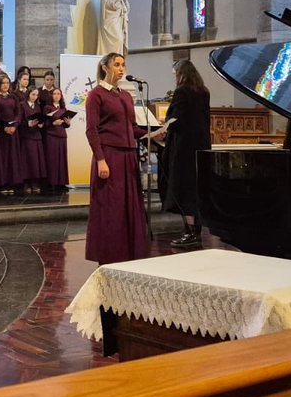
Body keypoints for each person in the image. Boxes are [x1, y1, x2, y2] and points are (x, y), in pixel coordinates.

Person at [84, 52, 148, 264]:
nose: (122, 69)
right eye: (117, 65)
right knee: (110, 208)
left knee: (129, 207)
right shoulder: (96, 95)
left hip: (129, 158)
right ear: (105, 67)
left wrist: (153, 134)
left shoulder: (126, 96)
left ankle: (130, 253)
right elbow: (92, 130)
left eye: (123, 65)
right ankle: (109, 255)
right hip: (109, 156)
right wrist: (100, 159)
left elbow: (133, 128)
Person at [152, 60, 212, 248]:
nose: (175, 77)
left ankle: (190, 232)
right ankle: (197, 231)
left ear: (181, 73)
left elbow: (176, 119)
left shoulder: (182, 91)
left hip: (183, 148)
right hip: (201, 146)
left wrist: (166, 122)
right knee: (196, 189)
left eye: (175, 73)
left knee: (184, 189)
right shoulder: (203, 91)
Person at [0, 74, 24, 194]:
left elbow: (18, 113)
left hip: (12, 131)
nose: (5, 85)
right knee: (3, 157)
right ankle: (3, 183)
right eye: (3, 83)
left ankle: (12, 182)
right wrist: (4, 127)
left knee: (13, 157)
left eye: (7, 83)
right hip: (2, 132)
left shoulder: (13, 97)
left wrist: (14, 126)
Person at [19, 86, 46, 193]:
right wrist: (28, 123)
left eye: (36, 95)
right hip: (27, 136)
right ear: (28, 94)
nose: (35, 97)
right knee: (27, 161)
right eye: (33, 94)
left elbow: (39, 118)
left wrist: (40, 124)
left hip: (36, 136)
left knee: (36, 161)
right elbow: (19, 120)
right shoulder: (22, 105)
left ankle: (35, 182)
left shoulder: (38, 106)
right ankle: (26, 182)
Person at [43, 87, 71, 190]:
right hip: (51, 136)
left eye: (58, 94)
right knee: (52, 160)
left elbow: (66, 125)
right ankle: (52, 183)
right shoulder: (47, 107)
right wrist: (53, 123)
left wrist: (68, 123)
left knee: (62, 160)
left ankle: (62, 183)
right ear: (51, 95)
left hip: (62, 136)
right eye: (54, 94)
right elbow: (44, 122)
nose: (56, 95)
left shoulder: (63, 108)